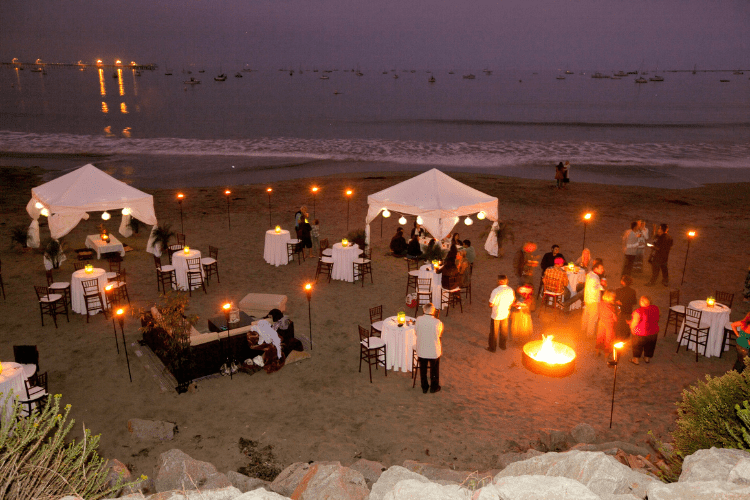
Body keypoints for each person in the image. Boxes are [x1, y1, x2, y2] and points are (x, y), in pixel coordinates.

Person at [415, 303, 443, 393]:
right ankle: (434, 387)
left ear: (424, 310)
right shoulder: (437, 322)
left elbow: (416, 331)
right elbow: (439, 334)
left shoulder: (419, 319)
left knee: (423, 370)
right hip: (433, 350)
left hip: (422, 349)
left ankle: (424, 387)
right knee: (434, 370)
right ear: (433, 311)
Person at [629, 295, 660, 364]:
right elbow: (657, 318)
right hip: (653, 332)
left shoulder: (638, 311)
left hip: (640, 333)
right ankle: (647, 358)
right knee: (650, 345)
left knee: (637, 346)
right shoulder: (656, 308)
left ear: (642, 302)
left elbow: (635, 323)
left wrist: (632, 328)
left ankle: (636, 360)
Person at [488, 275, 515, 351]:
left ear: (499, 281)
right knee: (504, 331)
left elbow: (491, 303)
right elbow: (512, 301)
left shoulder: (495, 290)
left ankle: (492, 348)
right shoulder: (510, 290)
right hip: (505, 313)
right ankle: (502, 345)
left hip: (496, 314)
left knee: (494, 332)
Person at [582, 259, 605, 340]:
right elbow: (595, 288)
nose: (603, 270)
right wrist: (602, 285)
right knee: (593, 318)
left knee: (586, 316)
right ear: (596, 269)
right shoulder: (594, 278)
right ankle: (589, 335)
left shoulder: (589, 274)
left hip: (587, 299)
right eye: (601, 268)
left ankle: (583, 330)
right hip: (593, 300)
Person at [614, 275, 638, 341]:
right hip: (628, 311)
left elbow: (615, 300)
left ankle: (618, 338)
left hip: (620, 311)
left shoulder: (618, 291)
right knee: (627, 325)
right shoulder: (633, 291)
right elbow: (634, 302)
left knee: (619, 326)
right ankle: (625, 339)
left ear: (622, 282)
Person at [597, 291, 618, 356]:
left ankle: (598, 350)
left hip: (601, 322)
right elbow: (615, 318)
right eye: (613, 297)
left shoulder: (600, 303)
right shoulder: (611, 307)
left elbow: (598, 313)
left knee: (600, 336)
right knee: (609, 337)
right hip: (609, 323)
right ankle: (607, 352)